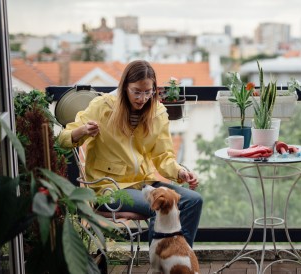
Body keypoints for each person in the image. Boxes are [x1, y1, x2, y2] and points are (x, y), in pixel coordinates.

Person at [57, 60, 202, 247]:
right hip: (110, 188)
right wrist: (83, 131)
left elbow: (163, 156)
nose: (142, 98)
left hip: (144, 184)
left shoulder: (157, 113)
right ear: (125, 87)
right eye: (137, 91)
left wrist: (179, 171)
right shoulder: (102, 106)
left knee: (193, 201)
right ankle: (160, 264)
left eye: (148, 92)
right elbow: (62, 139)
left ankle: (181, 258)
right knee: (161, 206)